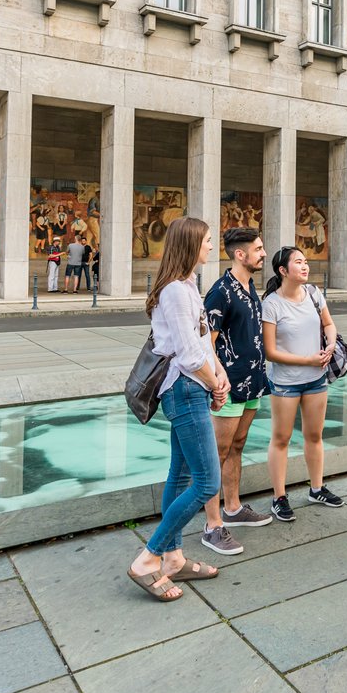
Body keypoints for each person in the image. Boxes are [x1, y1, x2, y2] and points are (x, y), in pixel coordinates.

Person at [126, 217, 228, 602]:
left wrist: (219, 375)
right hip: (184, 390)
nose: (209, 247)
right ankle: (149, 558)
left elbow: (203, 343)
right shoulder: (174, 292)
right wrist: (212, 381)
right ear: (189, 245)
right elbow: (186, 355)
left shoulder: (189, 286)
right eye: (206, 241)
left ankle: (173, 557)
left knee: (181, 474)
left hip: (194, 387)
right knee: (207, 481)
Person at [200, 227, 273, 554]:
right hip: (228, 387)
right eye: (258, 249)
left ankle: (232, 508)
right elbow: (206, 343)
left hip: (253, 382)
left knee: (238, 445)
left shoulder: (249, 286)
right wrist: (218, 380)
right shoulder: (221, 292)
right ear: (240, 254)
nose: (263, 254)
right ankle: (212, 525)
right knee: (217, 453)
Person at [262, 245, 344, 521]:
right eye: (299, 262)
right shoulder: (271, 304)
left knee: (314, 436)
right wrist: (307, 360)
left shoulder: (313, 294)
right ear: (283, 270)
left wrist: (330, 346)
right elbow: (270, 352)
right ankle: (279, 497)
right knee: (282, 438)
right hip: (285, 382)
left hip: (316, 380)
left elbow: (329, 324)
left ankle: (317, 488)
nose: (305, 266)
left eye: (306, 261)